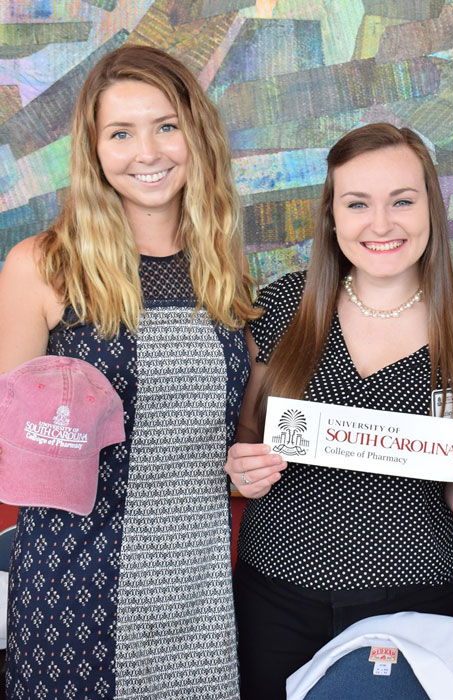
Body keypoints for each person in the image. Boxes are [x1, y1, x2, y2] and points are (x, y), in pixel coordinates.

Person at [0, 46, 257, 699]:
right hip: (77, 581)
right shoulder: (43, 267)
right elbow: (8, 441)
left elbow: (240, 433)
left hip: (197, 582)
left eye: (166, 126)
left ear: (196, 135)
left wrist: (246, 462)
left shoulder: (224, 272)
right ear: (94, 149)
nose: (148, 151)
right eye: (121, 133)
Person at [225, 122, 453, 699]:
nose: (381, 224)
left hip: (411, 602)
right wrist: (241, 469)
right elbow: (245, 436)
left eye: (402, 201)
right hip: (274, 594)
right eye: (358, 203)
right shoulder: (281, 308)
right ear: (332, 216)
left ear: (431, 206)